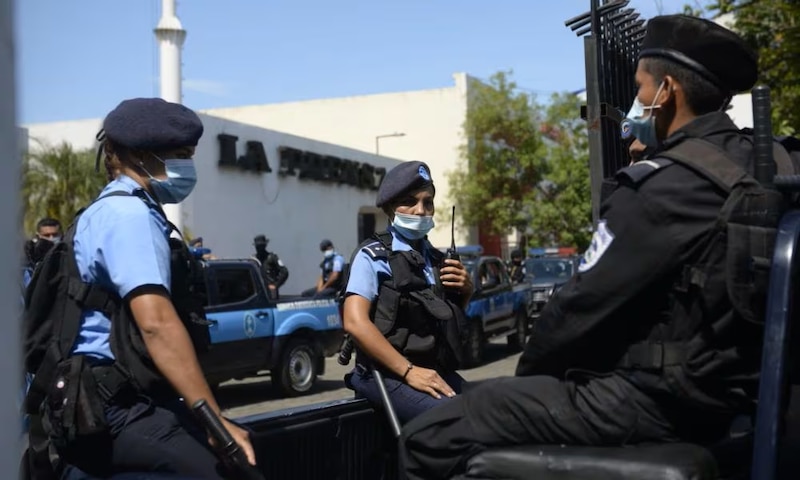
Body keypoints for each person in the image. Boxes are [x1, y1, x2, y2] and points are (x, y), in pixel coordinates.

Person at [401, 15, 779, 479]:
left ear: (667, 92)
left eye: (640, 89)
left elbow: (576, 309)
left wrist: (533, 382)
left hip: (661, 400)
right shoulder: (774, 161)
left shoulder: (662, 187)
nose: (637, 104)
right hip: (745, 393)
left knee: (429, 433)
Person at [23, 97, 255, 479]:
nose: (187, 166)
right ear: (140, 155)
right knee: (227, 468)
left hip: (103, 401)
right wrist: (216, 423)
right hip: (110, 406)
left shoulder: (114, 208)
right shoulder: (129, 216)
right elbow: (156, 324)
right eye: (179, 154)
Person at [342, 161, 474, 423]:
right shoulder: (373, 256)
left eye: (428, 202)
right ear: (391, 207)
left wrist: (466, 291)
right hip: (386, 374)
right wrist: (409, 371)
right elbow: (355, 322)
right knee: (459, 421)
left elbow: (443, 321)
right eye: (409, 201)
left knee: (494, 410)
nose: (420, 210)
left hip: (431, 371)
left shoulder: (435, 259)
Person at [252, 234, 289, 300]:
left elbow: (284, 272)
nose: (259, 248)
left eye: (261, 246)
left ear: (265, 245)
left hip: (271, 292)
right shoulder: (253, 260)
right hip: (258, 292)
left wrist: (276, 285)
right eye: (258, 246)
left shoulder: (272, 258)